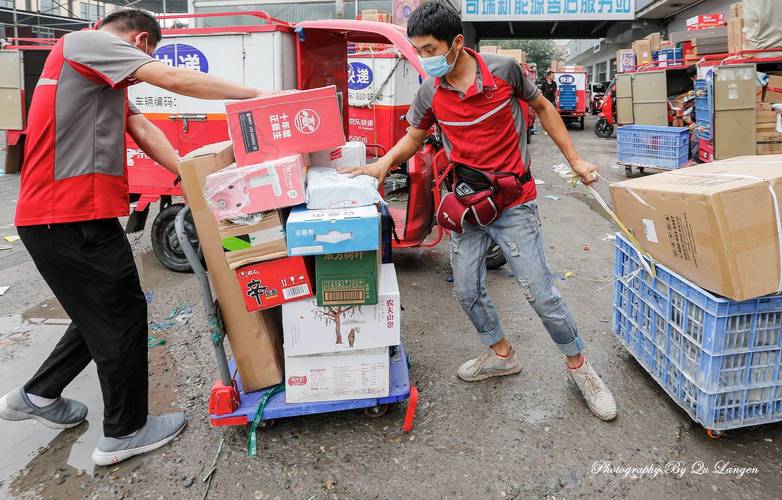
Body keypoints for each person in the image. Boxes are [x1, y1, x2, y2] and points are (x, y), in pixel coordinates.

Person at [0, 9, 273, 465]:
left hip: (60, 218)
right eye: (144, 55)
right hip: (70, 216)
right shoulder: (90, 43)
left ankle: (39, 395)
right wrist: (261, 95)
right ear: (140, 41)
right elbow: (173, 79)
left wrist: (186, 174)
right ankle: (124, 431)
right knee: (122, 313)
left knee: (99, 311)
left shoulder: (93, 76)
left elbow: (141, 127)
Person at [341, 1, 616, 421]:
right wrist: (381, 166)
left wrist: (576, 159)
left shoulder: (505, 71)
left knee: (540, 291)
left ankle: (580, 367)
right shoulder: (430, 91)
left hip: (513, 203)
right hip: (466, 206)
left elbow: (542, 108)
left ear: (456, 43)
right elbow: (414, 137)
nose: (425, 58)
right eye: (418, 50)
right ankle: (502, 354)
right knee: (467, 289)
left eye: (430, 49)